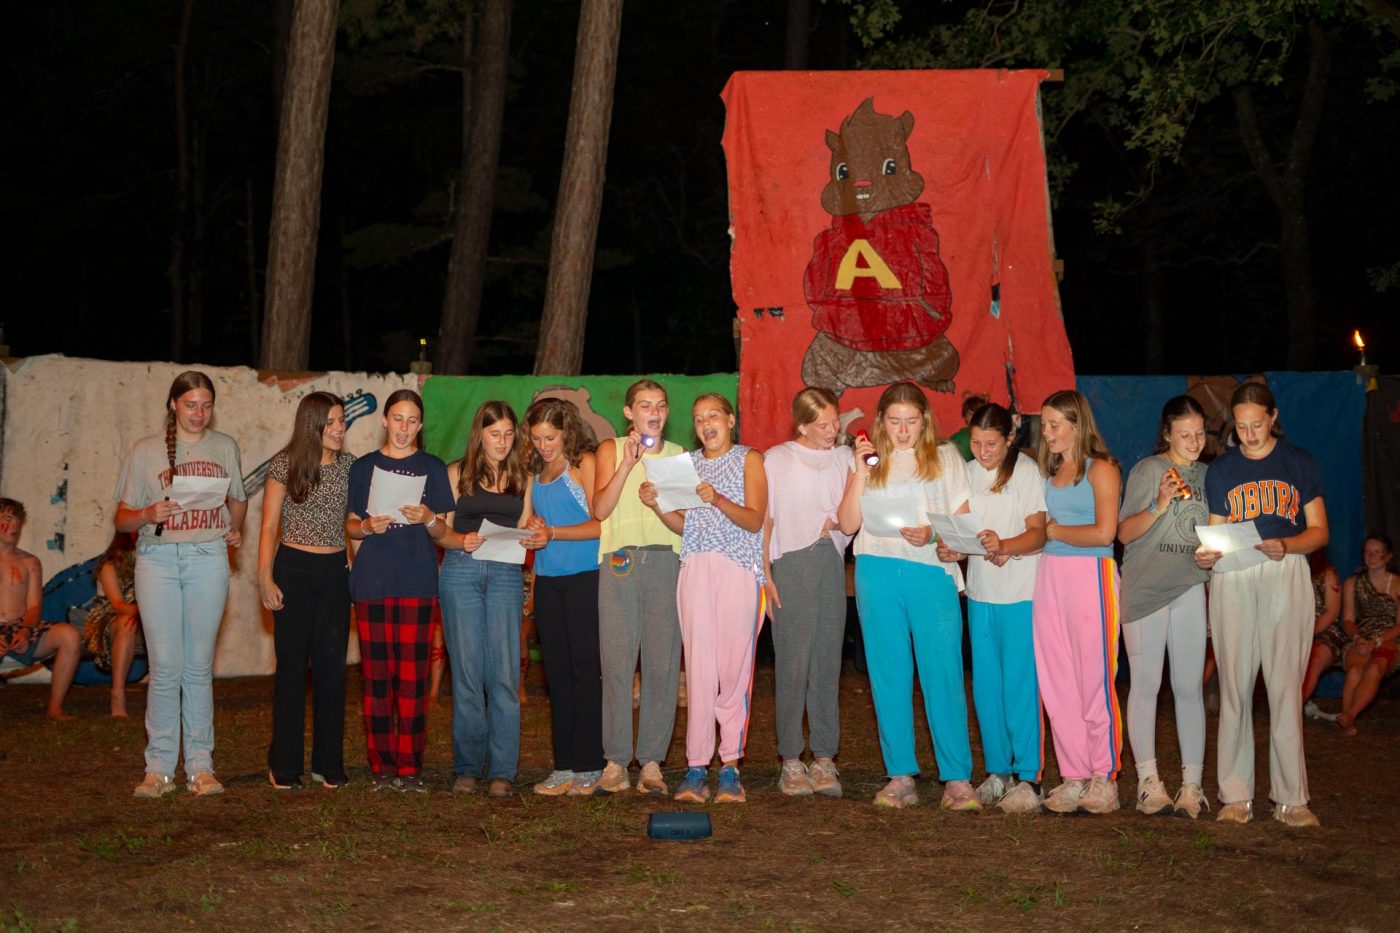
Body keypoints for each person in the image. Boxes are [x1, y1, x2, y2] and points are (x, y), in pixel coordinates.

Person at [1196, 381, 1328, 828]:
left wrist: (1288, 545)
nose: (1249, 434)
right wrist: (1207, 555)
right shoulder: (1222, 469)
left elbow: (1319, 532)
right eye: (1241, 426)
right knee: (1234, 685)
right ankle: (1236, 795)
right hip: (1235, 572)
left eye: (1257, 424)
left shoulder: (1299, 461)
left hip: (1284, 569)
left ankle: (1291, 798)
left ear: (1273, 418)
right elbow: (1215, 531)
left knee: (1285, 686)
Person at [837, 382, 974, 810]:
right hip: (876, 571)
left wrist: (933, 534)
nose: (902, 431)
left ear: (924, 420)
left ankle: (957, 779)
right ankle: (900, 776)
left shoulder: (945, 457)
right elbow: (847, 524)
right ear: (880, 421)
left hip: (930, 572)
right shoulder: (868, 459)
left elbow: (963, 524)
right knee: (888, 674)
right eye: (894, 421)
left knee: (943, 673)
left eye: (911, 421)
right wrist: (859, 472)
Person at [115, 371, 248, 797]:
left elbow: (238, 498)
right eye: (190, 405)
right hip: (157, 561)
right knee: (166, 668)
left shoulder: (224, 446)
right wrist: (146, 514)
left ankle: (200, 766)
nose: (199, 413)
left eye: (206, 405)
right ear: (173, 404)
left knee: (198, 667)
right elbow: (121, 518)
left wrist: (234, 530)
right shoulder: (145, 450)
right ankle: (158, 768)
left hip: (208, 557)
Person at [640, 392, 766, 805]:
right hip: (695, 567)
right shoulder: (688, 465)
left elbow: (754, 520)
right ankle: (696, 767)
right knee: (698, 670)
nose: (706, 424)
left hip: (738, 568)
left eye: (713, 415)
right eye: (698, 419)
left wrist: (719, 499)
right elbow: (686, 526)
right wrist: (658, 505)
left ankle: (729, 765)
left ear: (730, 420)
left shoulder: (750, 459)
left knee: (733, 670)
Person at [935, 402, 1046, 814]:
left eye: (991, 445)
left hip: (1020, 593)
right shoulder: (965, 472)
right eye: (977, 443)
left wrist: (1006, 546)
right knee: (986, 688)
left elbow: (1038, 533)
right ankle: (998, 771)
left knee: (1019, 685)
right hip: (981, 595)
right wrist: (952, 549)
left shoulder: (1026, 472)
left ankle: (1029, 776)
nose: (983, 452)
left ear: (1010, 439)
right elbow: (962, 534)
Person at [344, 388, 455, 793]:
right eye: (397, 418)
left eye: (411, 421)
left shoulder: (433, 467)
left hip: (417, 582)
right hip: (372, 582)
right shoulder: (363, 467)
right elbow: (351, 525)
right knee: (376, 680)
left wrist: (427, 518)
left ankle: (409, 768)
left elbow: (444, 532)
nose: (404, 427)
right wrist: (365, 526)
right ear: (384, 420)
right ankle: (381, 766)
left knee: (411, 680)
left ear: (420, 425)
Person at [1117, 396, 1211, 819]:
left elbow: (1213, 534)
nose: (1193, 441)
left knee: (1189, 688)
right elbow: (1123, 533)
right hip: (1146, 590)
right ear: (1167, 434)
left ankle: (1192, 786)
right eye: (1184, 434)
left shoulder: (1208, 475)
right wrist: (1158, 503)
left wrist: (1214, 555)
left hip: (1189, 586)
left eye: (1200, 433)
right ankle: (1148, 782)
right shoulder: (1148, 470)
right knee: (1147, 685)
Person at [258, 391, 354, 790]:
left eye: (341, 421)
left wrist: (357, 568)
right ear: (311, 425)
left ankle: (327, 763)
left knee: (332, 670)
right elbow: (268, 527)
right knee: (292, 670)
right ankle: (284, 764)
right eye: (330, 422)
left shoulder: (350, 466)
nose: (339, 428)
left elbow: (354, 524)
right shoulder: (285, 464)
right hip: (292, 571)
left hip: (334, 574)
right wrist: (264, 577)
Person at [1034, 389, 1123, 815]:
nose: (1047, 432)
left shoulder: (1100, 468)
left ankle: (1104, 775)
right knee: (1057, 680)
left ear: (1077, 424)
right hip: (1050, 575)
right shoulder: (1051, 473)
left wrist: (1054, 531)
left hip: (1091, 575)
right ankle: (1073, 775)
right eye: (1044, 425)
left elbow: (1105, 533)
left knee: (1094, 678)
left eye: (1055, 425)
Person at [592, 380, 683, 796]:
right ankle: (615, 761)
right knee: (616, 662)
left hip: (666, 559)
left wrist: (658, 504)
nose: (655, 413)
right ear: (629, 412)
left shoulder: (679, 455)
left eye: (661, 405)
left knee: (662, 664)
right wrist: (627, 465)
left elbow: (687, 521)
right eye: (645, 405)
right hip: (620, 561)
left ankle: (651, 760)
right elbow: (600, 509)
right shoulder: (610, 449)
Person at [762, 387, 853, 798]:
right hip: (791, 563)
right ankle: (791, 759)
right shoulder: (777, 458)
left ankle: (824, 757)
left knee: (827, 661)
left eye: (835, 421)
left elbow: (850, 519)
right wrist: (765, 575)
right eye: (823, 425)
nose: (832, 430)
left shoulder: (846, 457)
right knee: (793, 663)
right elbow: (766, 520)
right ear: (801, 425)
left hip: (829, 560)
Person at [439, 400, 531, 799]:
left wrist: (534, 532)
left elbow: (526, 527)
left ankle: (503, 771)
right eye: (495, 434)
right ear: (480, 434)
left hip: (506, 572)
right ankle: (467, 768)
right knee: (467, 674)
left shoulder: (523, 476)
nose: (502, 441)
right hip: (461, 569)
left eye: (509, 434)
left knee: (505, 675)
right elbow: (441, 530)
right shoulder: (456, 473)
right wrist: (461, 540)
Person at [522, 397, 605, 796]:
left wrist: (553, 532)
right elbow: (534, 527)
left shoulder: (583, 464)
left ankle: (590, 764)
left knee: (584, 672)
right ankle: (564, 765)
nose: (543, 446)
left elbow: (600, 524)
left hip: (585, 578)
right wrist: (536, 528)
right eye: (537, 438)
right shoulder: (537, 471)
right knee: (556, 676)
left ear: (566, 432)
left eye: (550, 438)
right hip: (549, 581)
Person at [0, 499, 80, 719]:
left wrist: (26, 631)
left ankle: (55, 707)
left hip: (19, 628)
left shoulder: (30, 562)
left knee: (70, 635)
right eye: (8, 519)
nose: (15, 525)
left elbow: (34, 607)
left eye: (18, 521)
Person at [1334, 534, 1400, 735]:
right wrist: (1358, 638)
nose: (1371, 556)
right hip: (1360, 637)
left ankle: (1349, 714)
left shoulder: (1398, 584)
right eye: (1368, 552)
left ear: (1388, 556)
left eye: (1377, 552)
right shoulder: (1352, 583)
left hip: (1388, 638)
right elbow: (1347, 620)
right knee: (1355, 670)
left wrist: (1378, 641)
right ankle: (1348, 723)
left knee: (1375, 667)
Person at [84, 531, 141, 718]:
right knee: (127, 624)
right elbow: (118, 605)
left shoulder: (150, 564)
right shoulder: (108, 566)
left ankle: (173, 693)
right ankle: (117, 694)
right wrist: (148, 610)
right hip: (105, 620)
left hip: (140, 619)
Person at [1300, 550, 1342, 717]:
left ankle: (1292, 710)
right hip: (1296, 629)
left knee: (1313, 661)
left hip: (1324, 631)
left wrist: (1310, 631)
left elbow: (1332, 612)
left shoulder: (1327, 574)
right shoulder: (1290, 572)